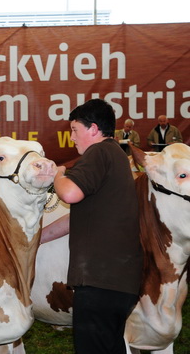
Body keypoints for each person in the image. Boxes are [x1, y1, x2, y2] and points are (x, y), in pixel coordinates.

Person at [52, 98, 142, 354]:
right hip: (116, 283)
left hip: (100, 283)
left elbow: (69, 194)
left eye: (74, 130)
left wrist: (59, 174)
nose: (72, 138)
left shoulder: (99, 152)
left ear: (93, 129)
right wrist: (38, 237)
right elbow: (79, 217)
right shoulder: (115, 157)